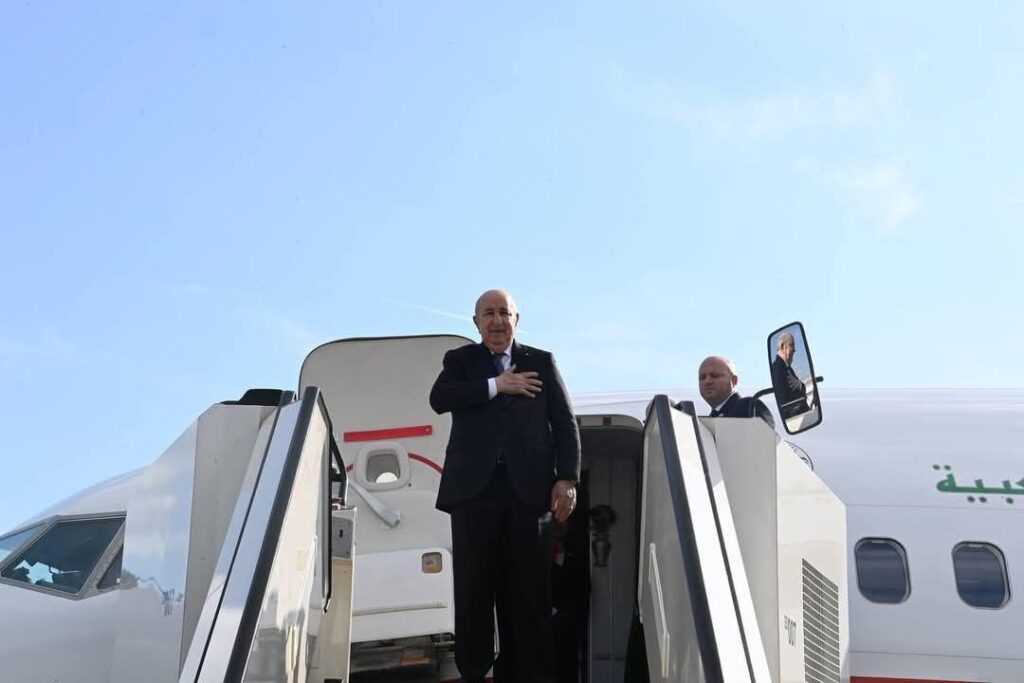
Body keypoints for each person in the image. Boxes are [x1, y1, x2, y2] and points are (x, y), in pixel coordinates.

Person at [429, 289, 581, 683]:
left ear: (517, 319)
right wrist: (498, 384)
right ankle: (474, 673)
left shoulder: (541, 362)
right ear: (476, 322)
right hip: (473, 494)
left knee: (531, 595)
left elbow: (565, 423)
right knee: (473, 591)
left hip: (529, 495)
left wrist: (567, 478)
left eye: (504, 313)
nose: (497, 321)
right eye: (488, 314)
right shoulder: (461, 361)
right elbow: (440, 398)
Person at [697, 355, 774, 427]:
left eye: (714, 375)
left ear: (734, 380)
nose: (707, 381)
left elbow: (766, 435)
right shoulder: (705, 422)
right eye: (702, 377)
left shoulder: (749, 407)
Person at [771, 332, 809, 419]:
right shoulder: (779, 369)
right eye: (792, 345)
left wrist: (799, 385)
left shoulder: (786, 368)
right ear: (783, 347)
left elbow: (801, 387)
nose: (794, 350)